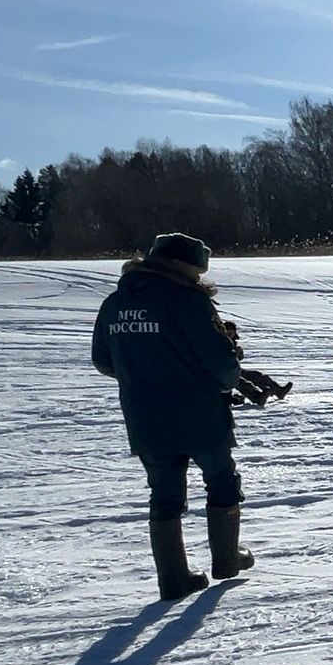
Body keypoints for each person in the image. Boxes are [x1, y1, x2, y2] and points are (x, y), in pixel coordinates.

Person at [91, 232, 253, 600]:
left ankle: (173, 578)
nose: (198, 279)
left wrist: (144, 371)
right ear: (184, 267)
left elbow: (103, 360)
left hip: (145, 415)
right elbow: (223, 368)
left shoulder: (114, 304)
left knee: (164, 493)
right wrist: (228, 360)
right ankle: (227, 559)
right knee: (222, 480)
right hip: (199, 413)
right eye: (196, 272)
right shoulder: (188, 301)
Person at [221, 321, 292, 406]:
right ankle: (256, 397)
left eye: (231, 332)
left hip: (232, 369)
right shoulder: (219, 342)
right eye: (227, 332)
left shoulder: (232, 342)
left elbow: (238, 359)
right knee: (239, 380)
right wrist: (234, 354)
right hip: (220, 372)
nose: (229, 334)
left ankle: (278, 391)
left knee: (255, 375)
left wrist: (239, 353)